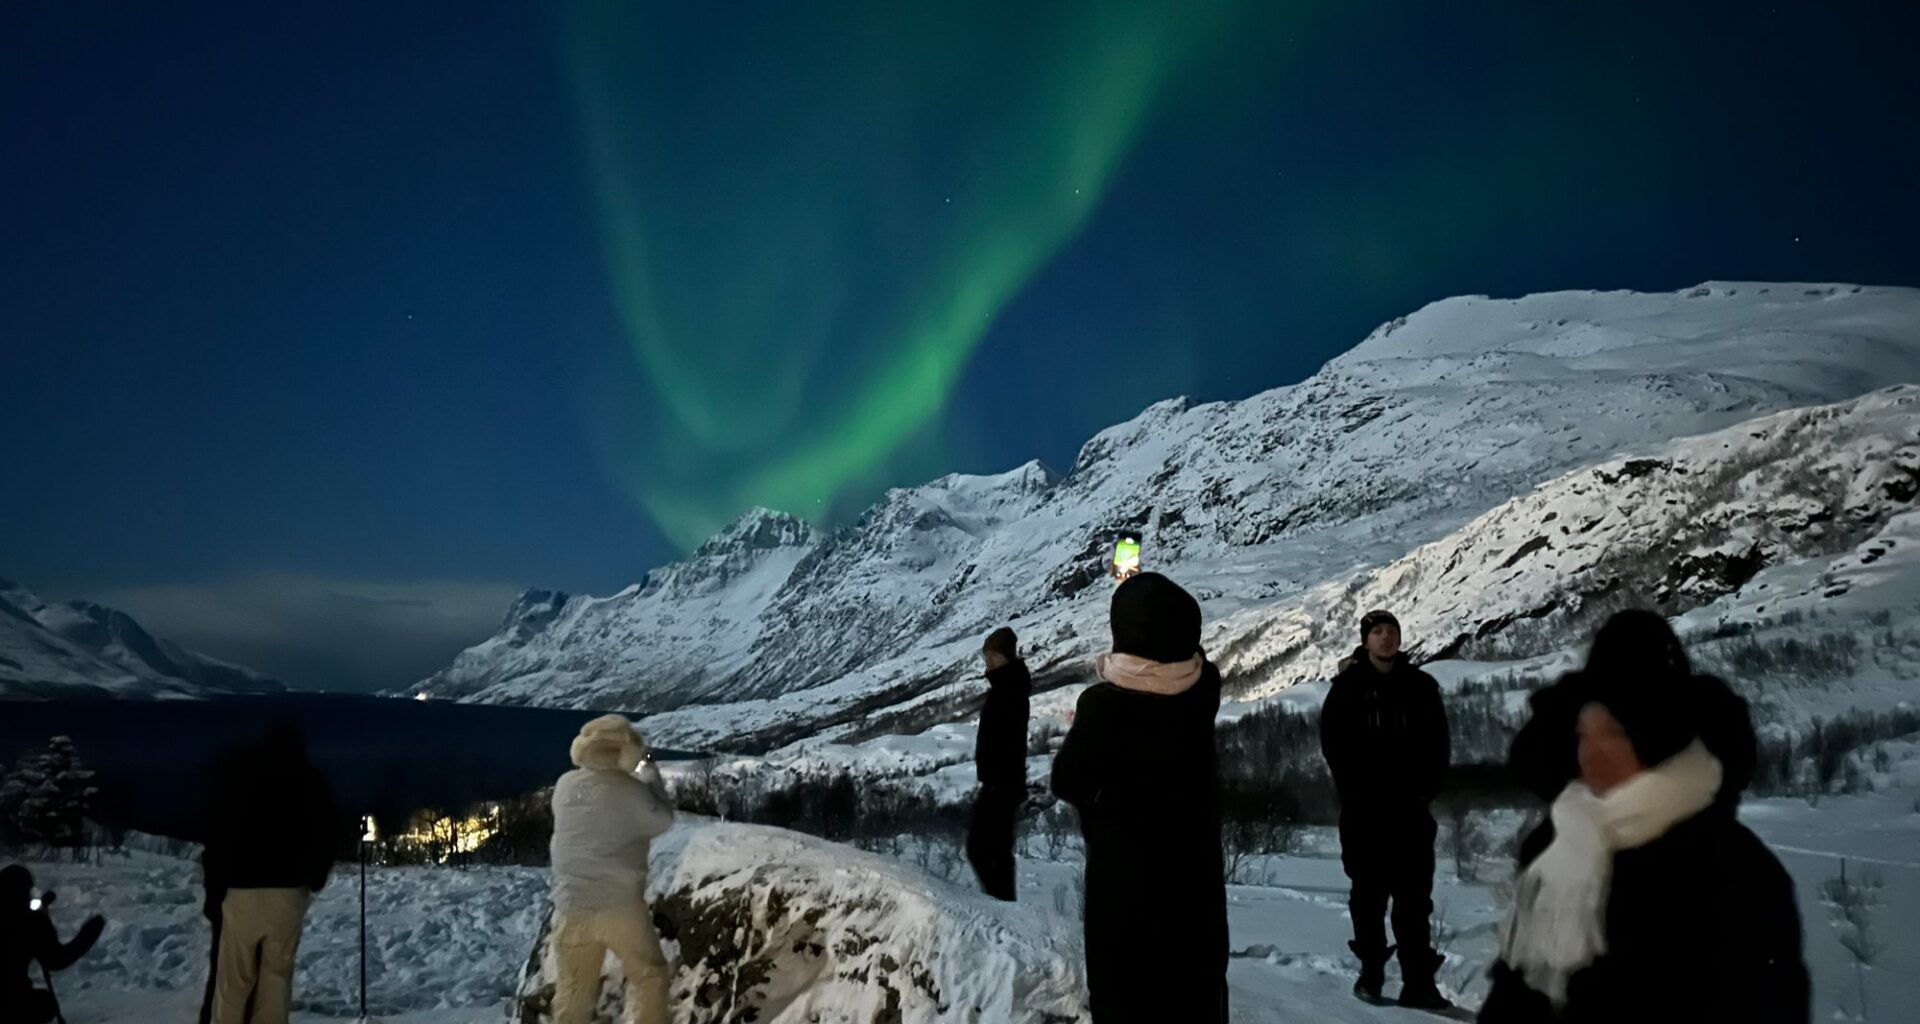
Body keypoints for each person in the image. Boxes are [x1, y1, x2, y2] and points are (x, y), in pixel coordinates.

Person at [1479, 609, 1809, 1024]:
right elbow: (1516, 994)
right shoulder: (1562, 842)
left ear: (1658, 736)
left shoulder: (1732, 873)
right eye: (1584, 733)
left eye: (1615, 732)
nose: (1593, 751)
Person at [1050, 572, 1226, 1023]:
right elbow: (1196, 663)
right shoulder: (1204, 690)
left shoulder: (1103, 705)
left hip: (1125, 880)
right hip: (1195, 875)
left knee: (1126, 991)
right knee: (1197, 988)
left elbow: (1067, 780)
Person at [1318, 609, 1452, 1008]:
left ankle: (1418, 984)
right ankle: (1371, 974)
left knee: (1414, 900)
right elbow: (1333, 745)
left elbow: (1438, 744)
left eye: (1391, 630)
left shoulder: (1421, 686)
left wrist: (1424, 793)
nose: (1386, 637)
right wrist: (1354, 791)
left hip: (1411, 813)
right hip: (1364, 814)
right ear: (1365, 640)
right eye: (1377, 631)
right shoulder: (1346, 689)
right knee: (1368, 898)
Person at [204, 724, 344, 1024]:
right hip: (289, 893)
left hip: (242, 889)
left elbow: (219, 835)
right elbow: (328, 832)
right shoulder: (311, 784)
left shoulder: (244, 784)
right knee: (276, 976)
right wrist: (315, 876)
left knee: (233, 980)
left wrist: (217, 888)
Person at [549, 714, 675, 1024]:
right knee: (651, 977)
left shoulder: (565, 786)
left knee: (573, 991)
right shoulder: (630, 791)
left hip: (571, 904)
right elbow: (664, 820)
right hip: (619, 906)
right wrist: (648, 771)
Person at [967, 625, 1030, 901]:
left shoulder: (1009, 689)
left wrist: (997, 776)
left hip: (1001, 782)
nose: (988, 663)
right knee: (990, 848)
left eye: (992, 657)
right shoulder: (1007, 686)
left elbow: (1007, 738)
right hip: (999, 780)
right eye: (986, 658)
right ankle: (1000, 900)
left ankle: (1002, 903)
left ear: (1006, 656)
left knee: (987, 848)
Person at [1, 865, 105, 1024]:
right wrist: (88, 935)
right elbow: (56, 960)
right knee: (45, 1004)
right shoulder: (29, 923)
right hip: (12, 1002)